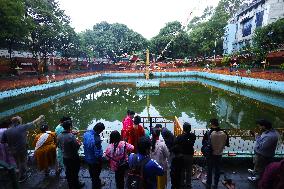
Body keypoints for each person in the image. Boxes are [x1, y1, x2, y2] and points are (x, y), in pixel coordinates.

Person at [1, 115, 45, 182]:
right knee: (23, 162)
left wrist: (11, 141)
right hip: (22, 149)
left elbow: (2, 141)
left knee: (18, 162)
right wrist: (40, 118)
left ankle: (22, 172)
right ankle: (22, 177)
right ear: (18, 122)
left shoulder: (7, 131)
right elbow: (33, 122)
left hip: (12, 150)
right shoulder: (22, 127)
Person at [202, 118, 229, 189]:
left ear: (211, 124)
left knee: (209, 170)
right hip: (219, 154)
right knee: (217, 170)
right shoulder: (224, 133)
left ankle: (208, 184)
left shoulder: (209, 133)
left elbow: (203, 143)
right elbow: (226, 144)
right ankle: (216, 184)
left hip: (210, 155)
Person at [57, 120, 84, 189]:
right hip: (73, 157)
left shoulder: (59, 136)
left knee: (68, 171)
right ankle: (76, 184)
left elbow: (59, 146)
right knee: (75, 171)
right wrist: (79, 144)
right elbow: (75, 148)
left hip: (65, 157)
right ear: (70, 127)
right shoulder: (71, 136)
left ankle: (70, 185)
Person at [174, 122, 196, 188]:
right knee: (189, 170)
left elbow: (175, 143)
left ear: (183, 129)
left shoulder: (180, 137)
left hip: (182, 155)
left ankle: (182, 183)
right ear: (190, 129)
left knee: (182, 170)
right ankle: (188, 184)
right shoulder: (193, 136)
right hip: (190, 155)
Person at [83, 122, 105, 188]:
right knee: (96, 172)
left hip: (87, 157)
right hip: (95, 160)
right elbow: (98, 154)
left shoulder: (86, 133)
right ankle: (97, 184)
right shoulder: (96, 139)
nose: (101, 132)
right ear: (99, 130)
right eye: (101, 131)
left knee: (91, 170)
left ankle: (94, 180)